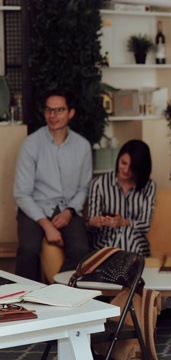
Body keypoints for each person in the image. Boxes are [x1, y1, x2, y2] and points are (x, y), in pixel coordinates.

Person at [14, 88, 92, 281]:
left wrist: (69, 212)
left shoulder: (82, 146)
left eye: (59, 110)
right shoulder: (31, 144)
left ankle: (59, 295)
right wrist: (46, 225)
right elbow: (22, 194)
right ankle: (24, 301)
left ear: (70, 113)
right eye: (49, 110)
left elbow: (83, 188)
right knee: (29, 249)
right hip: (34, 209)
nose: (52, 115)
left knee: (81, 250)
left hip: (67, 209)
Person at [87, 139, 156, 256]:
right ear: (118, 158)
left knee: (125, 232)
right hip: (105, 242)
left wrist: (123, 222)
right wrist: (94, 222)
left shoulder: (149, 186)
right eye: (123, 163)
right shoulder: (99, 183)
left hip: (137, 243)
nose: (126, 170)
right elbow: (91, 224)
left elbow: (145, 224)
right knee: (122, 234)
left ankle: (119, 270)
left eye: (132, 167)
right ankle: (127, 271)